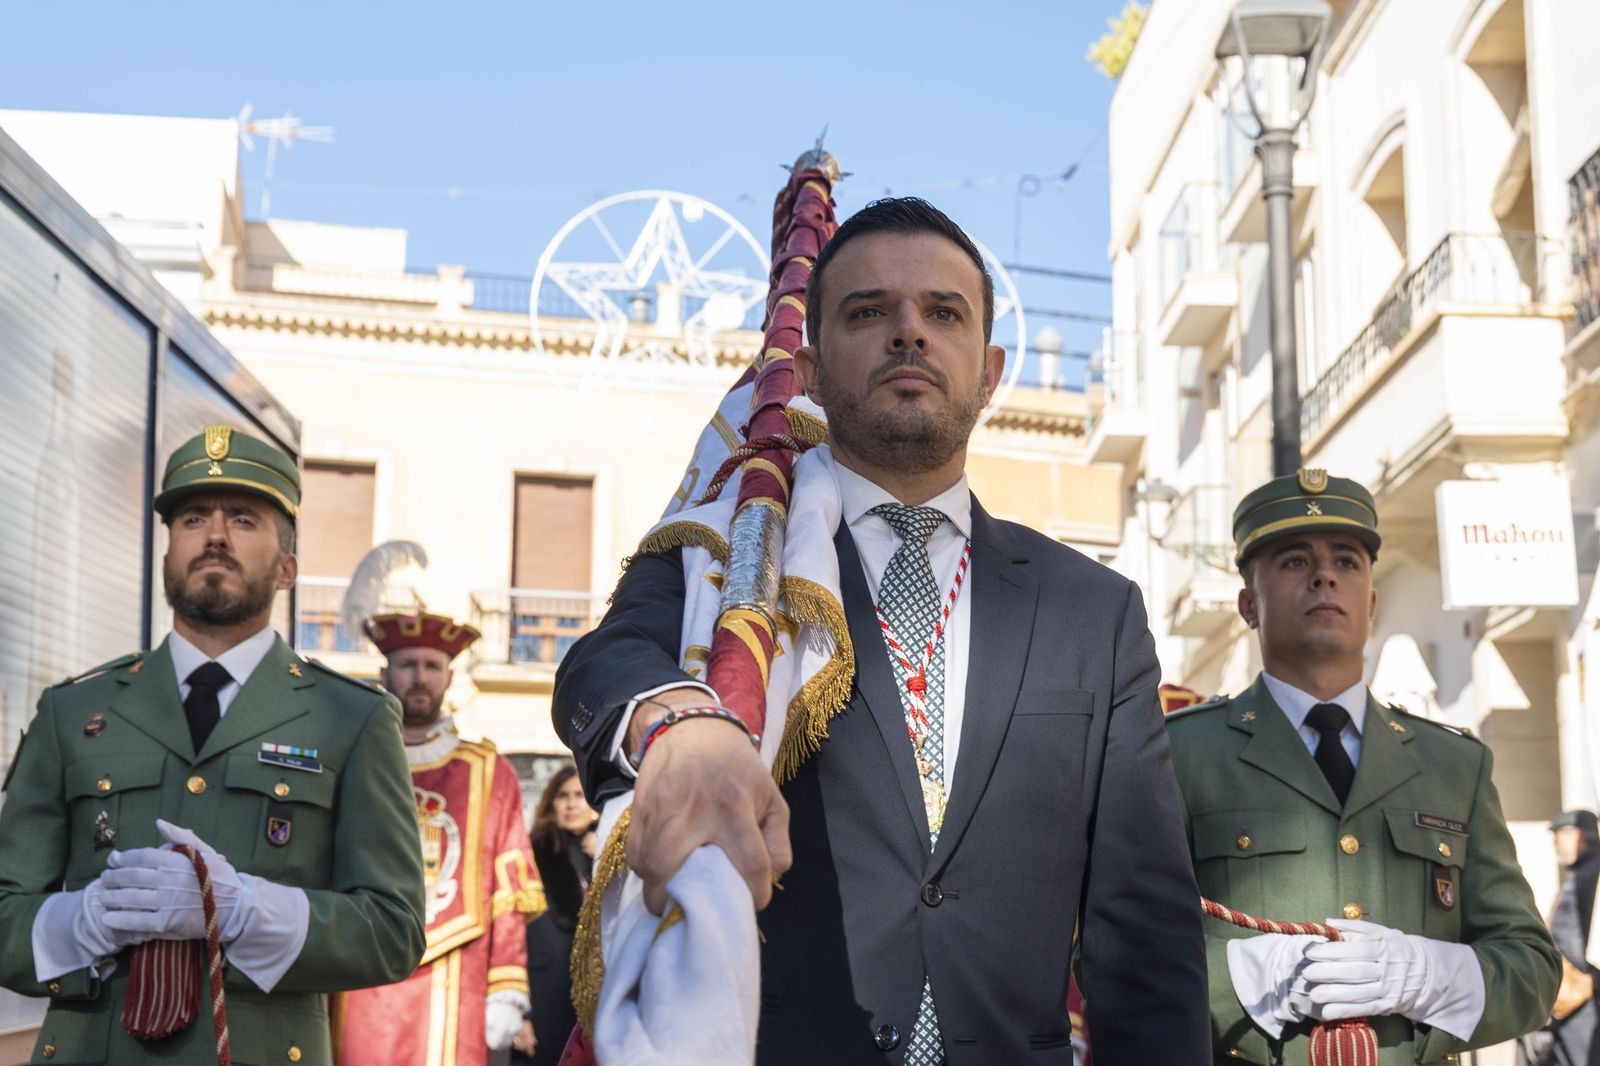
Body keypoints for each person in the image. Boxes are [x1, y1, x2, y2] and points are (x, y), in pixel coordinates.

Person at [554, 197, 1210, 1064]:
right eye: (870, 312)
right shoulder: (739, 559)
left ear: (991, 369)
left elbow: (1146, 933)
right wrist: (681, 722)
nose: (910, 334)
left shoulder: (1095, 609)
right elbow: (605, 664)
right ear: (814, 373)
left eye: (944, 313)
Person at [0, 424, 426, 1065]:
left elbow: (393, 930)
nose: (216, 535)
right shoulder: (74, 711)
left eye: (245, 520)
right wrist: (82, 921)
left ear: (288, 568)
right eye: (193, 518)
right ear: (169, 553)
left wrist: (248, 910)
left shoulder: (351, 718)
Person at [1164, 469, 1561, 1064]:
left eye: (1347, 561)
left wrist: (1431, 974)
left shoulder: (1454, 765)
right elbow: (1110, 953)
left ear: (1371, 604)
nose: (1326, 575)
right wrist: (1250, 974)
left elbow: (1531, 967)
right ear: (1249, 604)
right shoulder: (1180, 754)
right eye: (1295, 561)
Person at [336, 612, 542, 1066]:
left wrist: (507, 984)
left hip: (456, 974)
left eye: (431, 667)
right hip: (360, 967)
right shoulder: (348, 761)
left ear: (449, 677)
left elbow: (509, 889)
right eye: (408, 665)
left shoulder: (488, 771)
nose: (419, 678)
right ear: (384, 673)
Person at [512, 764, 596, 1065]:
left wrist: (601, 857)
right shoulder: (532, 853)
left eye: (579, 795)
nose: (572, 803)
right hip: (544, 995)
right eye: (563, 796)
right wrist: (520, 1014)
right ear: (551, 802)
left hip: (594, 992)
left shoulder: (611, 849)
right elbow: (513, 936)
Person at [1529, 810, 1600, 1066]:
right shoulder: (1582, 873)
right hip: (1573, 995)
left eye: (1559, 837)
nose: (1556, 846)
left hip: (1583, 996)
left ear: (1577, 835)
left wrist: (1586, 980)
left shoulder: (1592, 873)